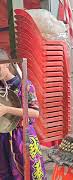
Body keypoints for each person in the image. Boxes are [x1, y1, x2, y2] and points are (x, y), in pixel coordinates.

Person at [0, 49, 46, 179]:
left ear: (6, 64)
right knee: (5, 174)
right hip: (2, 136)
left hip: (21, 135)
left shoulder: (24, 85)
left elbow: (34, 112)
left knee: (28, 173)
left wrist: (7, 109)